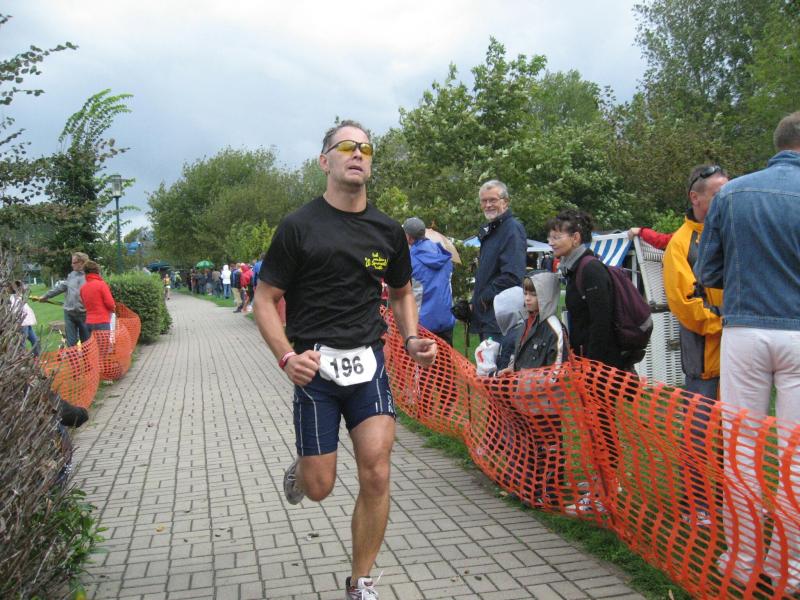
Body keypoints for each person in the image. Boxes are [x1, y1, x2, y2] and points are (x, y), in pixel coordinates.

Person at [253, 119, 436, 600]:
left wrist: (411, 338)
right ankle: (303, 469)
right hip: (315, 369)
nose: (358, 154)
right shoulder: (299, 227)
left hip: (368, 363)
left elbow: (401, 292)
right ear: (324, 161)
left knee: (377, 469)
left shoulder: (386, 231)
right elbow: (264, 299)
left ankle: (361, 582)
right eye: (347, 147)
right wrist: (286, 357)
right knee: (319, 487)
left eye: (366, 149)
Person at [695, 112, 800, 588]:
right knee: (795, 453)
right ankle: (790, 566)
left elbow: (708, 271)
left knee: (741, 448)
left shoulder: (732, 193)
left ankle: (742, 559)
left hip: (743, 329)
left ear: (778, 143)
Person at [662, 164, 728, 527]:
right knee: (699, 434)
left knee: (735, 436)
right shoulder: (681, 243)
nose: (725, 199)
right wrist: (728, 323)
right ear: (696, 197)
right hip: (704, 360)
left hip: (738, 357)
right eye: (717, 194)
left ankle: (730, 501)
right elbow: (686, 306)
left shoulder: (732, 233)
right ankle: (697, 504)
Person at [470, 180, 527, 343]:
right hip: (488, 318)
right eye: (484, 201)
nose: (488, 205)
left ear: (505, 202)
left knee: (497, 359)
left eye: (493, 200)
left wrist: (483, 299)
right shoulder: (492, 230)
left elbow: (512, 275)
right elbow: (488, 274)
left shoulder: (511, 229)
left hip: (500, 319)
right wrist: (473, 303)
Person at [401, 216, 456, 346]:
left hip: (422, 324)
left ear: (408, 237)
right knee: (446, 359)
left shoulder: (408, 261)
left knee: (424, 359)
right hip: (446, 319)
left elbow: (402, 294)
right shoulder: (444, 255)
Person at [38, 252, 89, 347]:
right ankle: (73, 357)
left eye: (74, 262)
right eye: (72, 262)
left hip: (84, 314)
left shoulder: (90, 276)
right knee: (71, 343)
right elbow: (61, 287)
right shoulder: (71, 275)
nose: (72, 264)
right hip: (69, 314)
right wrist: (46, 296)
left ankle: (87, 357)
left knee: (86, 342)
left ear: (82, 263)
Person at [79, 261, 116, 334]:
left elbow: (84, 305)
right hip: (102, 321)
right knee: (104, 342)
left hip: (89, 322)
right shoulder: (102, 285)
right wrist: (113, 309)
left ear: (85, 272)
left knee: (92, 342)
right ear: (97, 271)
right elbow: (110, 303)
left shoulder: (83, 288)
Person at [9, 280, 40, 357]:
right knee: (22, 344)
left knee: (35, 340)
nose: (24, 287)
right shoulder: (13, 299)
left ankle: (36, 358)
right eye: (22, 286)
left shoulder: (20, 297)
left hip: (27, 324)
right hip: (22, 324)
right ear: (18, 288)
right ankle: (22, 360)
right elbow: (14, 312)